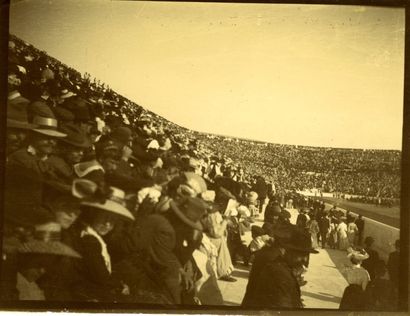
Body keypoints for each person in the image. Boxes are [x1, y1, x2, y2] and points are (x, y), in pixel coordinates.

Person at [241, 227, 318, 308]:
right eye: (301, 254)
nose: (305, 259)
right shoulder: (277, 270)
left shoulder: (276, 259)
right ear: (287, 250)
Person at [387, 239, 400, 303]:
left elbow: (388, 266)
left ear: (396, 246)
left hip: (393, 276)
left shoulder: (392, 255)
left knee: (393, 289)